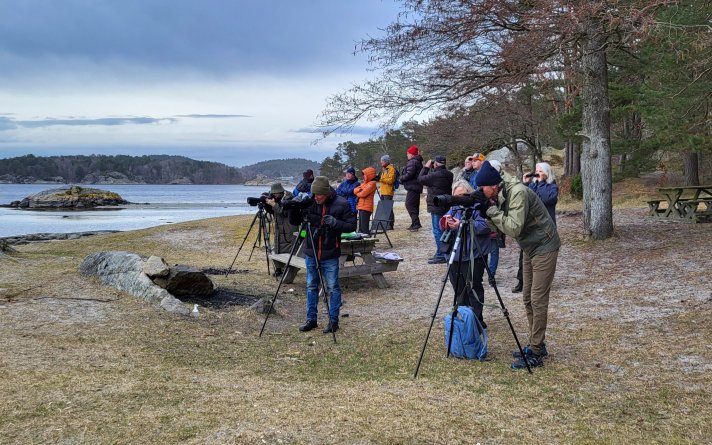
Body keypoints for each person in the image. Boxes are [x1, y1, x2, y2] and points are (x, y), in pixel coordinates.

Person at [474, 161, 560, 369]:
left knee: (538, 299)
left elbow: (513, 227)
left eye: (482, 189)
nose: (480, 192)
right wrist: (487, 214)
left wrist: (492, 211)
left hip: (544, 245)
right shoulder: (500, 192)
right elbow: (501, 227)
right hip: (530, 246)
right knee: (528, 298)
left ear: (493, 186)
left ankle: (536, 351)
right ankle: (536, 343)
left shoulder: (518, 192)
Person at [287, 176, 357, 333]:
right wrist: (292, 207)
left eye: (319, 195)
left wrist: (335, 223)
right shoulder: (310, 201)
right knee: (311, 286)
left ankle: (333, 321)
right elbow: (294, 221)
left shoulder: (342, 203)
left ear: (326, 193)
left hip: (330, 252)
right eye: (314, 194)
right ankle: (311, 319)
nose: (316, 197)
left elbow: (352, 226)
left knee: (332, 287)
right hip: (311, 251)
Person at [439, 180, 491, 327]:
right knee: (459, 289)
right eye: (456, 196)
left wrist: (462, 225)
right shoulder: (454, 207)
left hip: (474, 255)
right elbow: (442, 224)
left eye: (462, 195)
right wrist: (445, 223)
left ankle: (477, 321)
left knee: (473, 288)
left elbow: (485, 226)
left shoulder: (479, 207)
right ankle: (464, 318)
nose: (459, 198)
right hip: (455, 255)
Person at [512, 161, 559, 293]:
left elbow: (546, 199)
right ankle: (522, 282)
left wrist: (541, 182)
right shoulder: (531, 185)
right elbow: (521, 198)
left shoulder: (552, 186)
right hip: (530, 227)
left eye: (540, 170)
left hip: (546, 229)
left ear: (546, 173)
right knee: (525, 255)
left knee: (542, 255)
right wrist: (525, 183)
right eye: (536, 169)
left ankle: (541, 281)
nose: (537, 172)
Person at [418, 154, 454, 264]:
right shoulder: (450, 174)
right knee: (445, 229)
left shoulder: (434, 175)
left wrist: (426, 167)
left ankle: (440, 254)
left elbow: (420, 179)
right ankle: (444, 252)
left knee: (437, 230)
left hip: (436, 206)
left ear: (436, 163)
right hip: (446, 204)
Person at [264, 183, 298, 277]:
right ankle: (279, 269)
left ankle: (290, 269)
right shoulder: (278, 199)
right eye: (273, 194)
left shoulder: (290, 200)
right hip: (280, 229)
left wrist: (274, 204)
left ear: (280, 192)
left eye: (275, 194)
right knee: (278, 248)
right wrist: (267, 205)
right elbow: (273, 211)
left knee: (291, 250)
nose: (274, 196)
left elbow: (284, 212)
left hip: (289, 229)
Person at [486, 160, 505, 286]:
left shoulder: (503, 185)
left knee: (493, 251)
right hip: (484, 221)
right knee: (482, 251)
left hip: (495, 223)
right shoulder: (483, 182)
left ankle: (491, 275)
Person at [400, 145, 424, 231]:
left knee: (409, 204)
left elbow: (410, 174)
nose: (407, 155)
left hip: (413, 186)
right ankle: (415, 223)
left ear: (412, 154)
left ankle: (416, 223)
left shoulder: (412, 162)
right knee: (414, 205)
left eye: (408, 153)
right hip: (417, 186)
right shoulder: (418, 161)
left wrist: (401, 179)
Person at [353, 167, 377, 234]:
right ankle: (362, 241)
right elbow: (354, 190)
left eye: (364, 174)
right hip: (361, 206)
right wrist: (359, 191)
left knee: (364, 227)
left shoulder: (372, 183)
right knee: (360, 227)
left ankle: (368, 240)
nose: (363, 176)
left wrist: (358, 192)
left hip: (366, 207)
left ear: (369, 175)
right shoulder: (364, 183)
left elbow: (363, 194)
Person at [376, 154, 397, 229]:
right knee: (385, 208)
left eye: (382, 160)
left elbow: (390, 180)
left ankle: (390, 225)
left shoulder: (391, 169)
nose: (381, 162)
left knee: (388, 208)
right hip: (383, 191)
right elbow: (383, 179)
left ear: (385, 161)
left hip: (388, 191)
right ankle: (386, 223)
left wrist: (380, 179)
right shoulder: (384, 169)